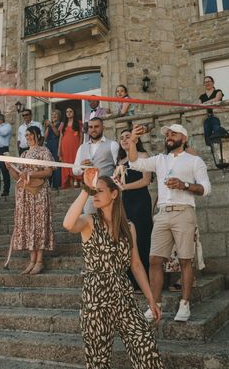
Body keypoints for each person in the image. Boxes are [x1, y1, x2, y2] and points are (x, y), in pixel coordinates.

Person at [63, 172, 164, 369]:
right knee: (98, 364)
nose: (95, 195)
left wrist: (151, 299)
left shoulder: (129, 227)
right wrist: (85, 189)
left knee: (148, 351)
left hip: (124, 296)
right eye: (94, 191)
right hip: (95, 298)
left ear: (114, 193)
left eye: (99, 190)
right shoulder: (89, 221)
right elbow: (68, 223)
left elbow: (136, 264)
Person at [128, 123, 211, 323]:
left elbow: (206, 188)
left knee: (185, 260)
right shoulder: (160, 159)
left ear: (184, 137)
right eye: (167, 134)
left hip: (184, 211)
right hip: (163, 213)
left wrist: (184, 185)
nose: (169, 136)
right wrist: (132, 140)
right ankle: (155, 305)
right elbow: (135, 164)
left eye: (173, 133)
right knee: (155, 260)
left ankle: (184, 304)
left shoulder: (194, 161)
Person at [5, 126, 55, 274]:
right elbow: (17, 177)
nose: (28, 137)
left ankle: (39, 261)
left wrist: (31, 174)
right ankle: (32, 260)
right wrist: (10, 167)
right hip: (24, 192)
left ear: (37, 135)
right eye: (26, 135)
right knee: (28, 223)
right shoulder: (24, 154)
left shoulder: (43, 151)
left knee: (38, 222)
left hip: (39, 191)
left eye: (30, 134)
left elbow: (49, 171)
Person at [114, 129, 152, 290]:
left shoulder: (143, 156)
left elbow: (146, 180)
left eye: (127, 137)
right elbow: (115, 181)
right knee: (128, 239)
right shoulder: (120, 161)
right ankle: (130, 279)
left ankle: (145, 280)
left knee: (142, 237)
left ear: (135, 139)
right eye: (121, 138)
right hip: (125, 202)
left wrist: (125, 187)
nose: (124, 140)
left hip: (141, 200)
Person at [73, 117, 119, 214]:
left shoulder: (113, 145)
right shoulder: (82, 147)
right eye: (90, 127)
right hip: (89, 193)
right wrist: (81, 167)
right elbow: (75, 170)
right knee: (90, 222)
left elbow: (119, 168)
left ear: (103, 128)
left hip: (107, 192)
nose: (93, 129)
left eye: (96, 126)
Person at [58, 107, 83, 188]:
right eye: (67, 111)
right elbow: (61, 137)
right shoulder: (63, 124)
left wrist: (80, 147)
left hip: (75, 147)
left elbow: (82, 136)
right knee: (67, 164)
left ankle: (77, 181)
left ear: (74, 113)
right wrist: (59, 150)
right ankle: (71, 183)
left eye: (70, 111)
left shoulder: (79, 123)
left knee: (75, 162)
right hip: (65, 148)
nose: (68, 113)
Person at [199, 76, 224, 146]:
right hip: (206, 118)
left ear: (213, 82)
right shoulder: (202, 96)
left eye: (208, 81)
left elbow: (217, 99)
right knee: (208, 139)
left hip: (216, 117)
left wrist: (204, 103)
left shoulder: (218, 91)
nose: (207, 83)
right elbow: (199, 105)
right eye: (205, 82)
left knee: (218, 137)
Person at [44, 109, 62, 189]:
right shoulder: (50, 125)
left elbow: (57, 133)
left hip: (56, 144)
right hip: (49, 144)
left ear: (59, 116)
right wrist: (48, 126)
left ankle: (56, 185)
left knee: (56, 164)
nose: (54, 116)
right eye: (52, 114)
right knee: (49, 164)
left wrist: (51, 124)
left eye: (56, 114)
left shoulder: (60, 124)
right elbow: (45, 136)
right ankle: (48, 184)